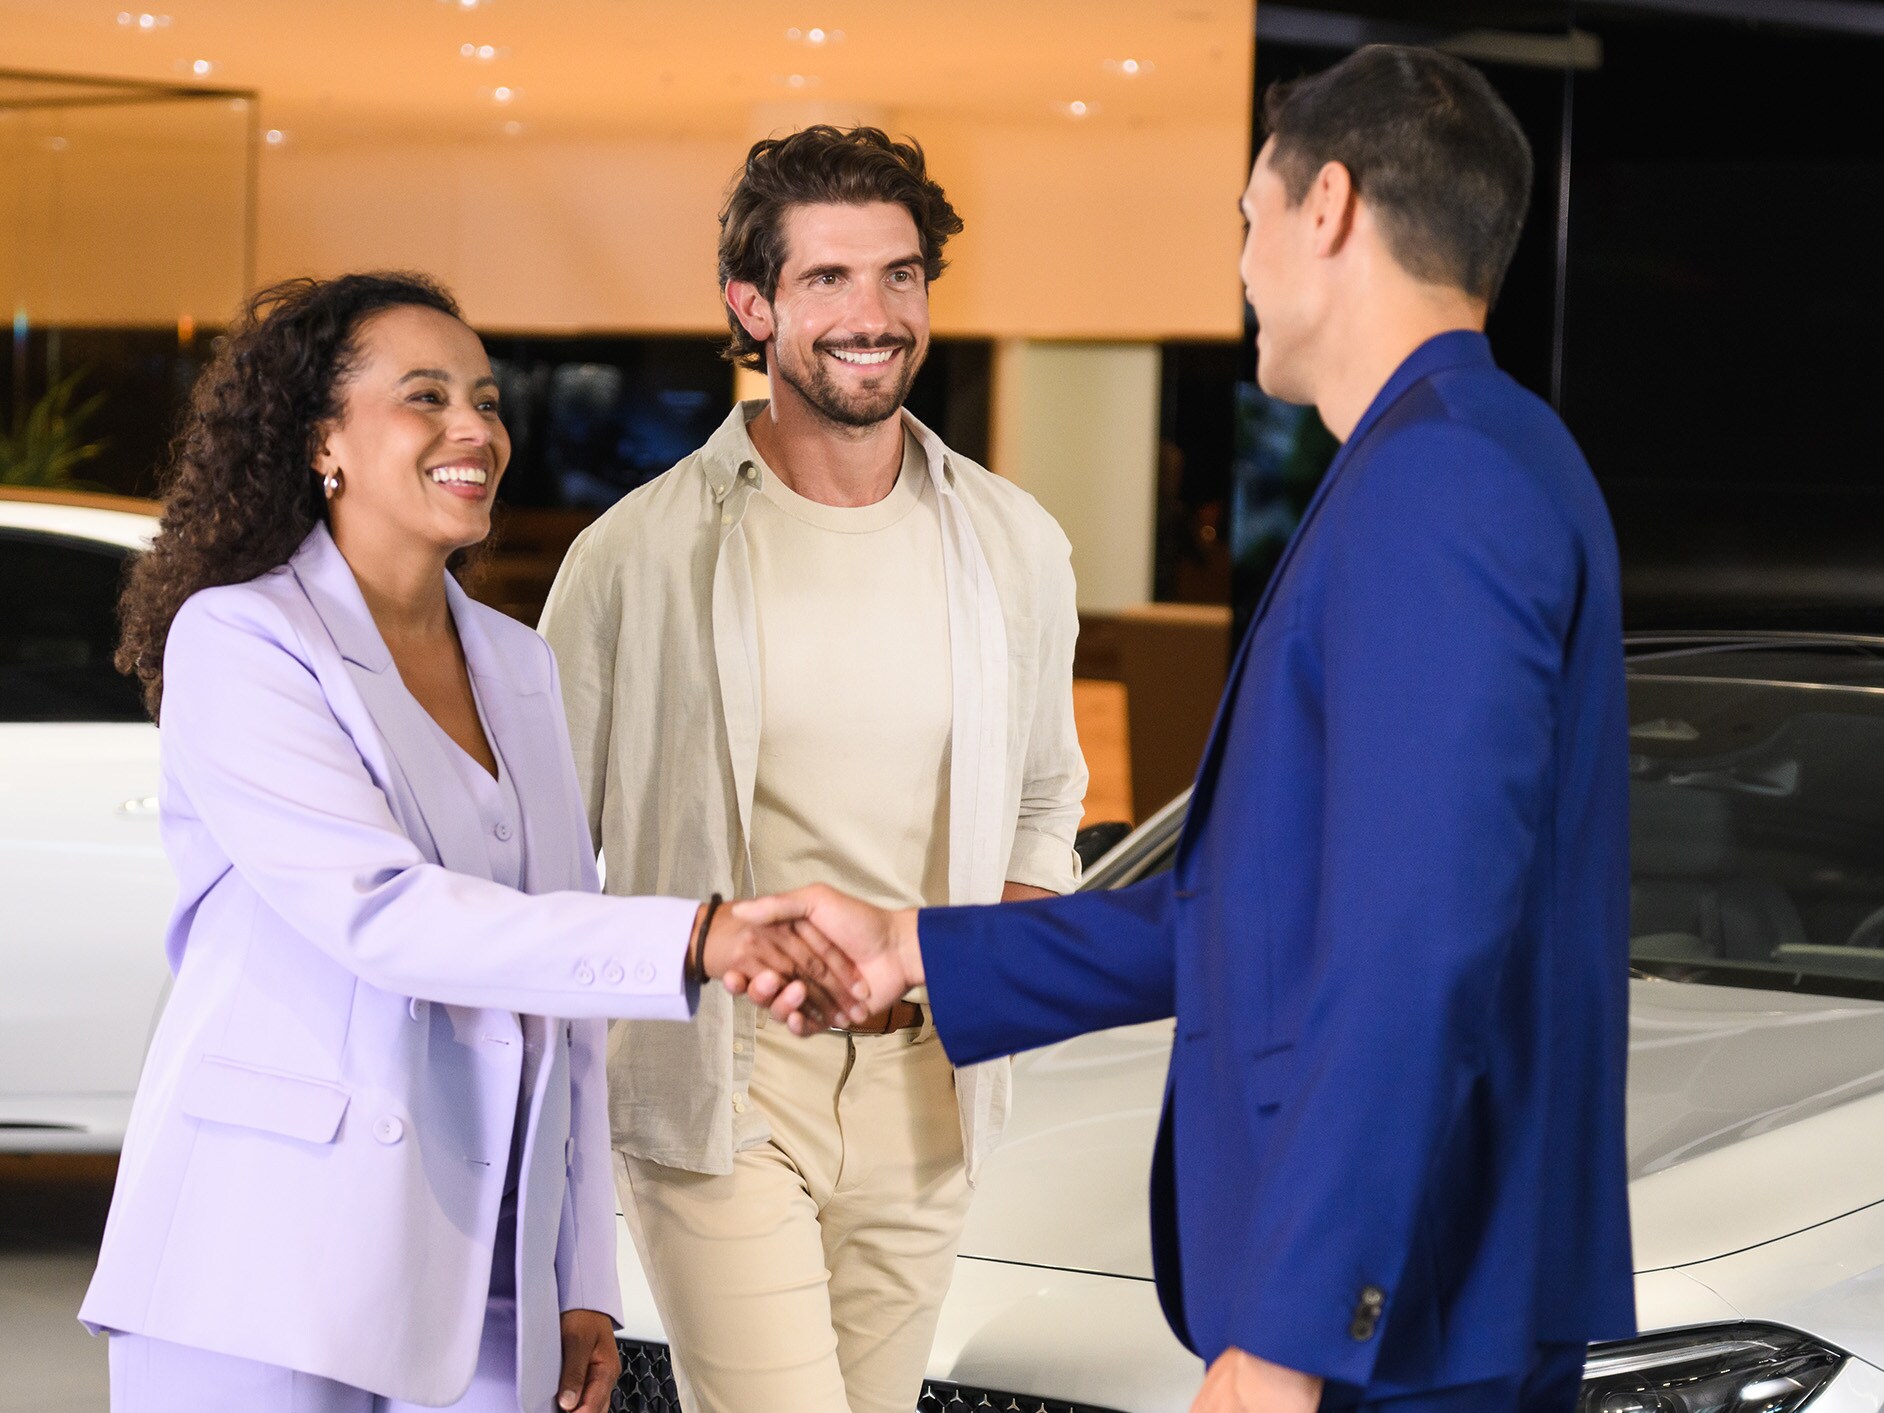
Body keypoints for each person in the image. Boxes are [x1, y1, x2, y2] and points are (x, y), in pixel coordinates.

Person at [739, 46, 1635, 1413]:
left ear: (1326, 207)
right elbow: (1266, 910)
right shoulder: (1470, 453)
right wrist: (919, 944)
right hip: (1426, 1309)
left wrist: (1292, 1331)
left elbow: (1416, 941)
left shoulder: (1443, 480)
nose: (1241, 264)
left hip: (1404, 1330)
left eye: (1246, 219)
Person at [81, 272, 856, 1413]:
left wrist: (580, 1277)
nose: (472, 430)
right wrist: (697, 936)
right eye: (425, 397)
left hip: (489, 1279)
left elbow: (567, 1005)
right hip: (264, 1264)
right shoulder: (239, 639)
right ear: (322, 441)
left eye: (486, 401)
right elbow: (383, 918)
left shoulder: (517, 661)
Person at [537, 126, 1086, 1413]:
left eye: (901, 276)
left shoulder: (1014, 542)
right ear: (753, 305)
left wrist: (1006, 947)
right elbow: (551, 851)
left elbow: (1042, 796)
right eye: (830, 279)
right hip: (724, 1082)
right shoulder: (638, 556)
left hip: (931, 1084)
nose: (874, 314)